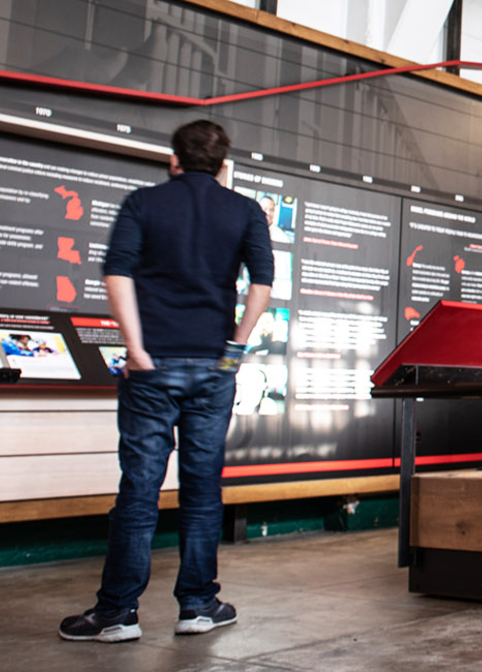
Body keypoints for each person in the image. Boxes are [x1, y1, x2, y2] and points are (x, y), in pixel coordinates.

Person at [60, 120, 274, 643]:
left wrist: (135, 349)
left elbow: (117, 274)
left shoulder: (142, 203)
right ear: (223, 165)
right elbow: (262, 284)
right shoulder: (244, 210)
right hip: (212, 366)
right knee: (203, 490)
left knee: (139, 487)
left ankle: (117, 613)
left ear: (173, 159)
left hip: (152, 365)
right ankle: (198, 606)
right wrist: (236, 348)